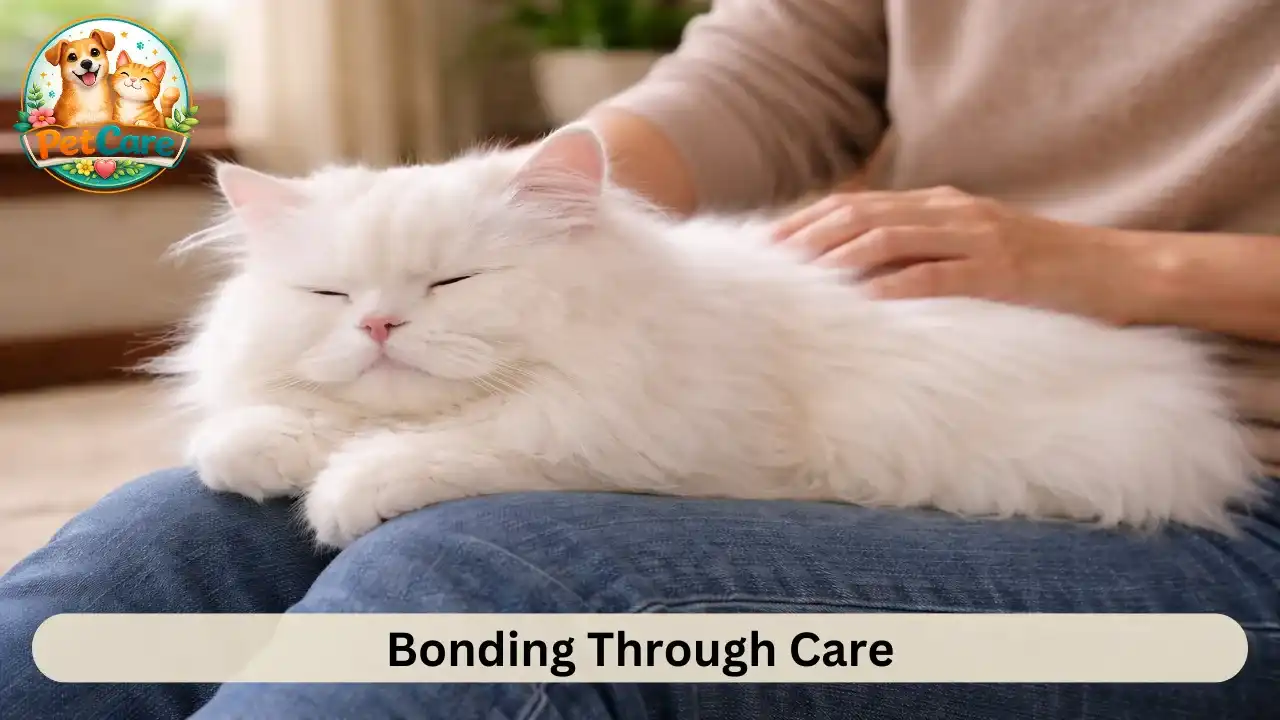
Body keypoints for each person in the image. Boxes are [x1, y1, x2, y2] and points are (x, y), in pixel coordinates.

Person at [3, 0, 1278, 717]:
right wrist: (491, 207)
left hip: (1206, 507)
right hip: (912, 357)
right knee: (166, 547)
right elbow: (761, 75)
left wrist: (1127, 269)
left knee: (484, 590)